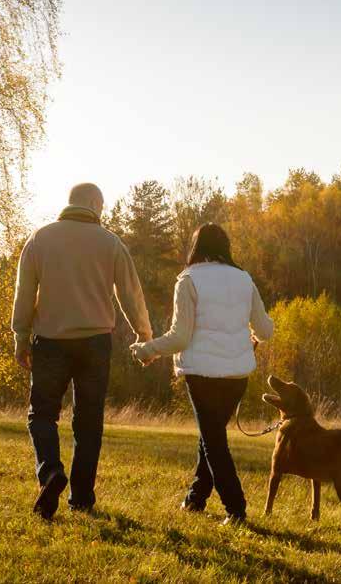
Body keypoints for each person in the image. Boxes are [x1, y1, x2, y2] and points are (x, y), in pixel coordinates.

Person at [12, 183, 152, 520]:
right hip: (95, 342)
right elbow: (130, 293)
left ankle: (50, 473)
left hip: (50, 340)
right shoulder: (110, 243)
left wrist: (20, 334)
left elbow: (25, 290)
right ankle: (82, 498)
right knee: (88, 422)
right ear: (93, 204)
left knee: (42, 415)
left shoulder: (40, 238)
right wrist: (144, 333)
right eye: (101, 206)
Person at [130, 223, 273, 525]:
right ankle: (196, 498)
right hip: (237, 376)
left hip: (202, 375)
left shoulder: (188, 279)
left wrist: (147, 350)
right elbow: (265, 330)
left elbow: (180, 337)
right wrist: (248, 337)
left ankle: (236, 510)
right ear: (226, 247)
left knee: (213, 442)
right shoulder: (244, 279)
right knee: (211, 437)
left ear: (196, 246)